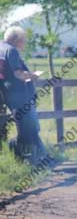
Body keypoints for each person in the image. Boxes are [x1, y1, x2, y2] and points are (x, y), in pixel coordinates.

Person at [0, 26, 47, 165]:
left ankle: (40, 157)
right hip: (19, 95)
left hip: (8, 95)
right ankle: (20, 153)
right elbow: (18, 74)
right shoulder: (11, 50)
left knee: (29, 127)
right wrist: (33, 76)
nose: (24, 44)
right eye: (23, 41)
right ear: (16, 40)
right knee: (31, 127)